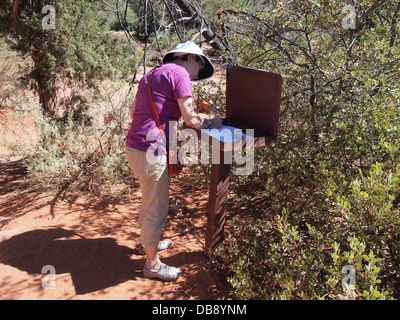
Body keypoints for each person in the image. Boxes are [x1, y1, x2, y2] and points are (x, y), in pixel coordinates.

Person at [126, 41, 223, 281]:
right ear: (191, 58)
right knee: (156, 207)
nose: (197, 74)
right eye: (199, 67)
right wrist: (211, 123)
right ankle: (152, 265)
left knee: (150, 201)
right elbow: (190, 118)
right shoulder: (179, 72)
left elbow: (134, 113)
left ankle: (149, 243)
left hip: (135, 146)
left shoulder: (152, 74)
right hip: (151, 150)